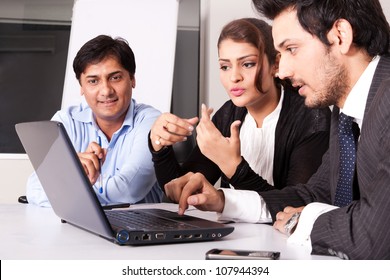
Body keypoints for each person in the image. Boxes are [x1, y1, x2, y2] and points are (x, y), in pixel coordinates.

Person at [166, 0, 390, 259]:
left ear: (340, 36)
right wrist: (223, 200)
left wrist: (302, 221)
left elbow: (374, 236)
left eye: (292, 49)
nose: (282, 71)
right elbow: (315, 193)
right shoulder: (346, 109)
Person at [150, 18, 330, 200]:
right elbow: (179, 192)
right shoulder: (227, 115)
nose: (234, 77)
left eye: (248, 64)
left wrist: (233, 167)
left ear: (275, 64)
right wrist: (160, 146)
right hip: (232, 228)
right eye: (225, 66)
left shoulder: (313, 118)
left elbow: (297, 206)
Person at [26, 35, 163, 207]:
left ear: (132, 79)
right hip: (79, 225)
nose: (106, 91)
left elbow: (127, 190)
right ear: (82, 87)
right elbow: (34, 189)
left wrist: (72, 182)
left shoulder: (151, 121)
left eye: (115, 77)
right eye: (93, 81)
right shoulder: (65, 121)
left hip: (138, 228)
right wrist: (73, 172)